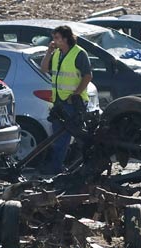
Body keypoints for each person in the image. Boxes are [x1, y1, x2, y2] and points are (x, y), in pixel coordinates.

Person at [40, 25, 92, 174]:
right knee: (59, 136)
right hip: (59, 101)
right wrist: (49, 52)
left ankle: (82, 165)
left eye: (57, 38)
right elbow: (44, 69)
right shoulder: (56, 53)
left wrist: (76, 94)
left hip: (73, 103)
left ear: (66, 38)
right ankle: (56, 167)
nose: (54, 41)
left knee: (78, 136)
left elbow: (87, 76)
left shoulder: (79, 54)